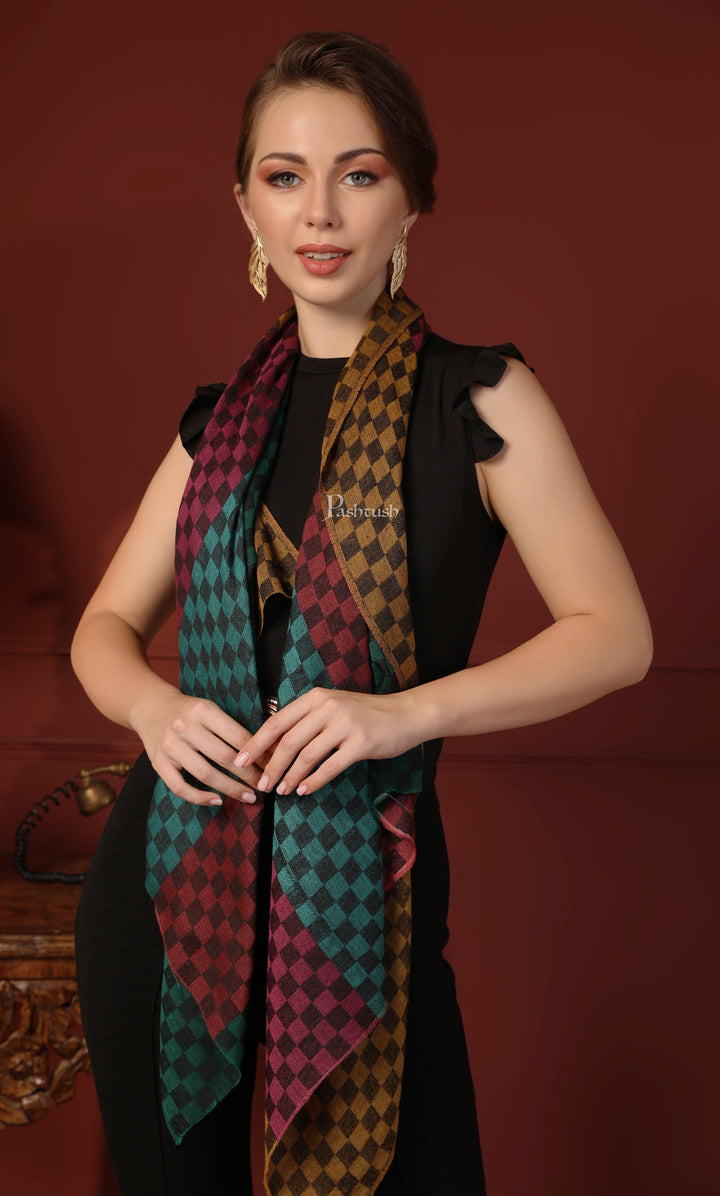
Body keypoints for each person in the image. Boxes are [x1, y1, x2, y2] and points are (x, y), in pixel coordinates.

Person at [71, 29, 653, 1196]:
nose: (320, 211)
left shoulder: (481, 398)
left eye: (361, 172)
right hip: (170, 877)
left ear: (411, 199)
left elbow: (617, 633)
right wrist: (153, 709)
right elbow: (102, 630)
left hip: (366, 882)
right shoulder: (215, 428)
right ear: (247, 207)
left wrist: (399, 713)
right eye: (285, 176)